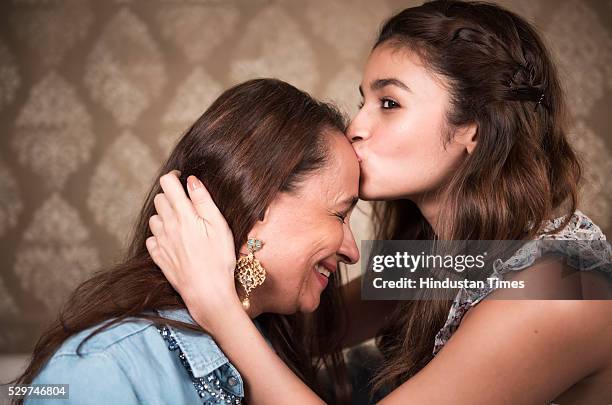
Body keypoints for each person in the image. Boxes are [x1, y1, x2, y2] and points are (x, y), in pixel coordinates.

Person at [146, 1, 612, 403]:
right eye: (363, 100)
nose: (356, 127)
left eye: (389, 103)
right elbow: (303, 334)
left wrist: (219, 307)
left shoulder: (561, 286)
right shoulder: (446, 262)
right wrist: (241, 248)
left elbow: (246, 337)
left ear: (475, 128)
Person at [14, 78, 361, 405]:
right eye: (340, 215)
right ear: (259, 205)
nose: (353, 252)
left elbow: (409, 289)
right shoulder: (104, 369)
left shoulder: (274, 341)